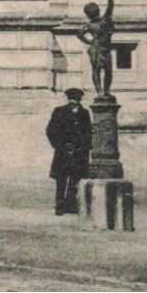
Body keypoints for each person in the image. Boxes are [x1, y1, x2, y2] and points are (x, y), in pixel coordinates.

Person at [46, 87, 92, 215]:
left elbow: (88, 133)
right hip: (63, 151)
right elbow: (51, 131)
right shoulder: (59, 111)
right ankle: (60, 206)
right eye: (71, 98)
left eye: (76, 99)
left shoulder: (85, 113)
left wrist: (84, 149)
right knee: (61, 180)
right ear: (67, 99)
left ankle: (71, 205)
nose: (73, 101)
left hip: (79, 152)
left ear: (80, 100)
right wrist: (60, 146)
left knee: (75, 179)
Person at [78, 0, 115, 96]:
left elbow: (80, 34)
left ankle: (102, 92)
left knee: (100, 71)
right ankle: (103, 92)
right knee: (105, 71)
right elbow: (111, 5)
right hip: (100, 48)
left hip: (98, 48)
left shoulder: (91, 24)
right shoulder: (104, 20)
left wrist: (90, 42)